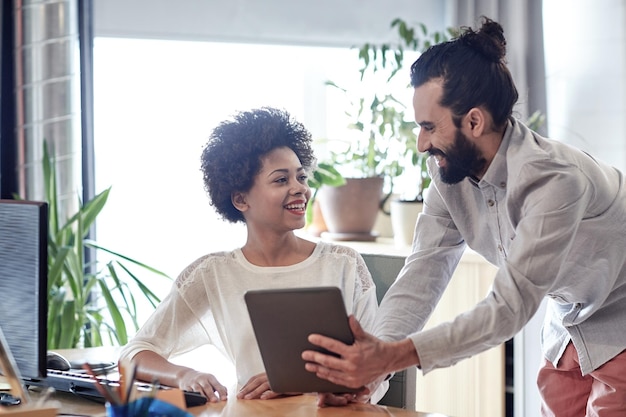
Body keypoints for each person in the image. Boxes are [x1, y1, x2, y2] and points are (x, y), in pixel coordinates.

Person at [302, 17, 626, 416]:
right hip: (568, 326)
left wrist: (391, 357)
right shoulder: (449, 175)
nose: (421, 143)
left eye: (428, 127)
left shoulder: (554, 181)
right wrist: (370, 372)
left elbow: (508, 309)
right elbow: (422, 274)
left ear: (474, 121)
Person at [118, 107, 386, 405]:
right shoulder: (213, 273)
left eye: (301, 177)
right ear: (240, 199)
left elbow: (376, 366)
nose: (300, 189)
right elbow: (135, 353)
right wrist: (185, 375)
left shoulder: (343, 264)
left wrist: (299, 384)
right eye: (281, 180)